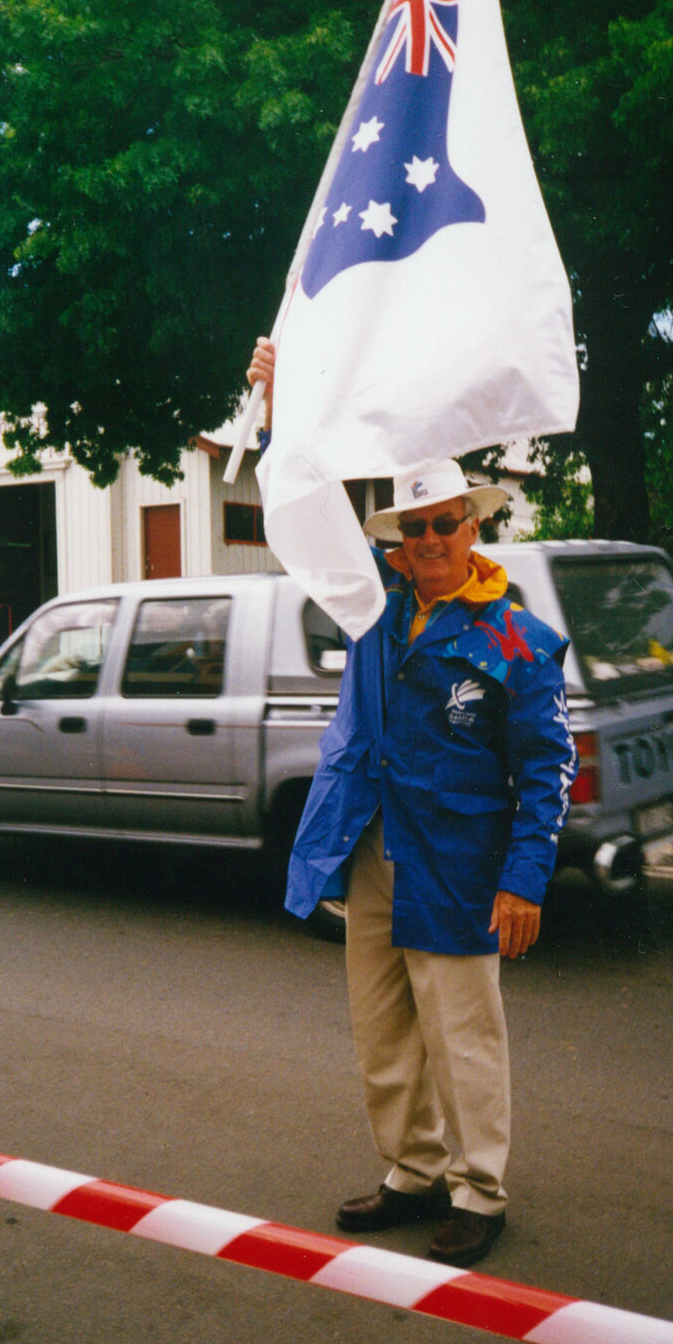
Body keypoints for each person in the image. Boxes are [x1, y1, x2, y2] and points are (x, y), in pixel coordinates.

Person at [246, 339, 577, 1269]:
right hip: (370, 850)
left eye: (443, 525)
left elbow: (549, 771)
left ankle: (480, 1190)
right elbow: (305, 511)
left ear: (474, 527)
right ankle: (411, 1170)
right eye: (411, 531)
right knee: (383, 1025)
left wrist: (525, 881)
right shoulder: (373, 607)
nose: (427, 543)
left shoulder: (520, 638)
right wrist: (282, 405)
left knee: (463, 1035)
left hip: (460, 865)